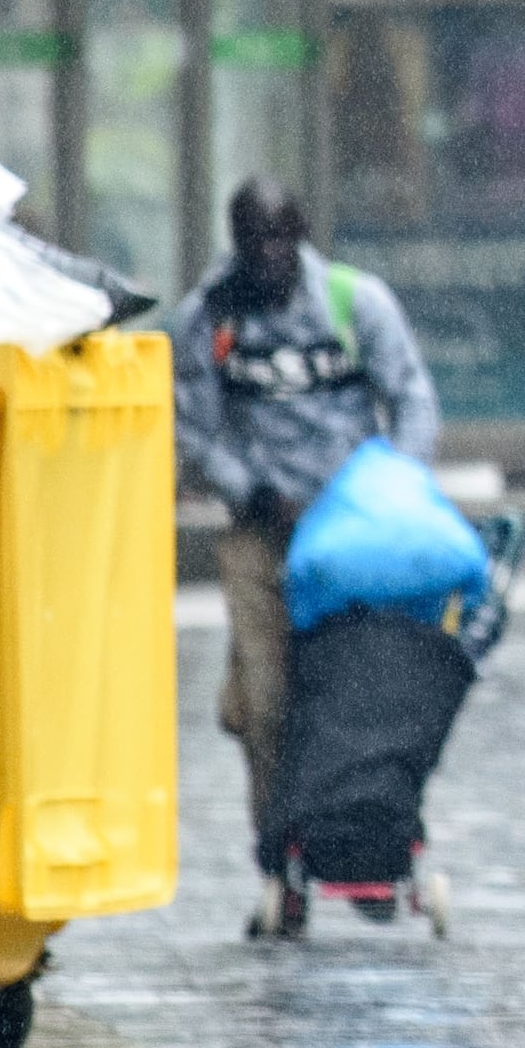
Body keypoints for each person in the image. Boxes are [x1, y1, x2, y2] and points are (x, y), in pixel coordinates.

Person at [169, 178, 440, 933]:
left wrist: (393, 488)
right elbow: (189, 426)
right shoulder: (209, 318)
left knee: (361, 694)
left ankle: (368, 848)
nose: (267, 256)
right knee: (265, 703)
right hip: (263, 533)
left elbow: (412, 400)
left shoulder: (358, 304)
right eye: (252, 239)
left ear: (304, 233)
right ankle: (279, 862)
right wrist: (249, 490)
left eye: (282, 238)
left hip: (354, 532)